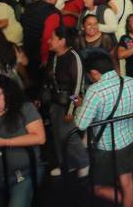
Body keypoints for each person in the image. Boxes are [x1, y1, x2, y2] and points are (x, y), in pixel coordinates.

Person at [74, 54, 133, 207]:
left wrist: (80, 108)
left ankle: (127, 203)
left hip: (105, 146)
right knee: (127, 182)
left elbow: (81, 124)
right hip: (128, 139)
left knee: (95, 187)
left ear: (94, 72)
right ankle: (130, 203)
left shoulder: (95, 91)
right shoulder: (130, 82)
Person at [0, 75, 46, 207]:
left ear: (8, 94)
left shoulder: (25, 109)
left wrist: (4, 142)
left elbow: (39, 137)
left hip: (23, 174)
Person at [44, 26, 88, 178]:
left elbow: (76, 86)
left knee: (68, 134)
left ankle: (83, 162)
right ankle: (66, 164)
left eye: (52, 38)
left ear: (62, 41)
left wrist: (71, 110)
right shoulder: (54, 56)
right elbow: (50, 78)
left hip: (71, 100)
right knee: (57, 134)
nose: (49, 41)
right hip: (56, 100)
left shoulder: (74, 56)